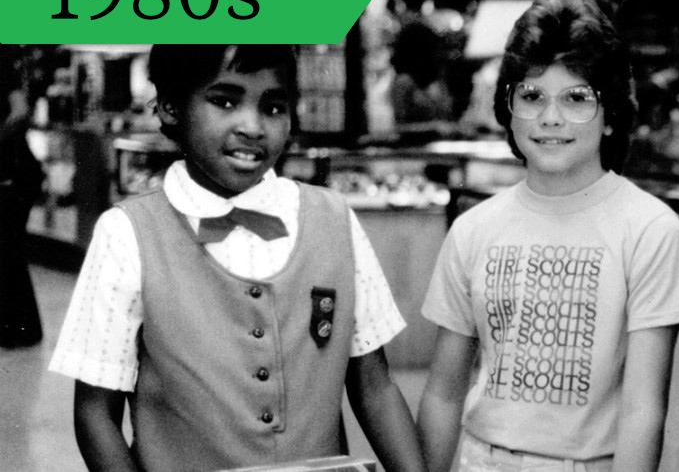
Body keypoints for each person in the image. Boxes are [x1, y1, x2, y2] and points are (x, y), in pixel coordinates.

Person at [48, 45, 424, 472]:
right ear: (170, 107)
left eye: (274, 106)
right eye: (225, 101)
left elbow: (375, 387)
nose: (253, 126)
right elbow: (95, 413)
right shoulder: (127, 233)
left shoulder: (334, 219)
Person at [416, 0, 679, 472]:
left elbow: (643, 411)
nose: (550, 117)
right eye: (532, 96)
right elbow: (443, 394)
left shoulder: (649, 229)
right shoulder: (473, 229)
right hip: (481, 460)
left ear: (611, 115)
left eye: (577, 98)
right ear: (508, 106)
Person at [0, 46, 46, 349]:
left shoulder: (2, 58)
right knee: (8, 249)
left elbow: (20, 111)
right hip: (16, 171)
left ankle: (22, 329)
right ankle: (20, 327)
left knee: (7, 249)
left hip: (12, 172)